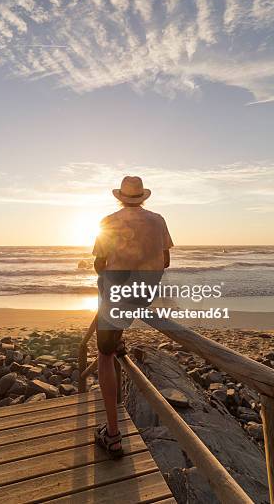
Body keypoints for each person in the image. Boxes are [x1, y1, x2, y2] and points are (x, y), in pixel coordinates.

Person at [92, 176, 173, 458]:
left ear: (120, 197)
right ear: (143, 197)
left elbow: (99, 264)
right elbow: (165, 261)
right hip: (143, 295)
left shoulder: (108, 220)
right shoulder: (158, 220)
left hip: (117, 298)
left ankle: (113, 435)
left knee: (103, 355)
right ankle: (118, 340)